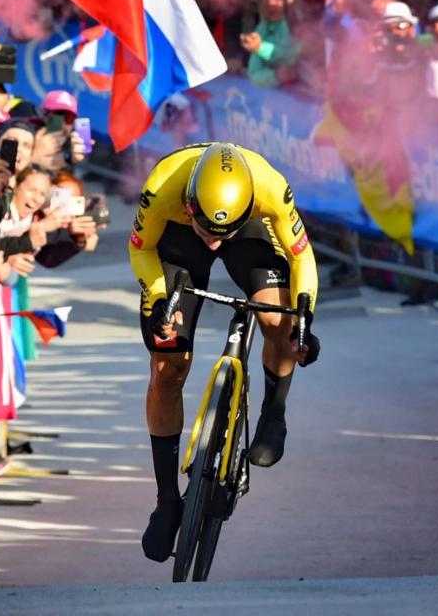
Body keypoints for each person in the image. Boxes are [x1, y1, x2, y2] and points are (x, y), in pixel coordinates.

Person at [129, 142, 319, 562]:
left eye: (222, 235)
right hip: (177, 238)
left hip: (248, 232)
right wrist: (161, 296)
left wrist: (305, 315)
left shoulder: (269, 186)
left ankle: (275, 410)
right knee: (167, 367)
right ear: (190, 204)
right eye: (208, 231)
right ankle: (166, 501)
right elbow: (141, 248)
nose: (215, 245)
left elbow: (301, 256)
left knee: (279, 321)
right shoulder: (163, 185)